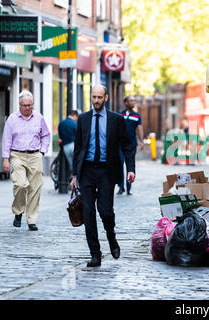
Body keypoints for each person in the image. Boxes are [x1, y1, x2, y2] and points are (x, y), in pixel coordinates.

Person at [70, 84, 135, 267]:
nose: (96, 101)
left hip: (107, 171)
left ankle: (111, 236)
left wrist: (130, 169)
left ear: (106, 98)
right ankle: (95, 254)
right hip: (87, 171)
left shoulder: (116, 120)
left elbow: (127, 146)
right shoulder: (83, 119)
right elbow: (77, 149)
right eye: (94, 97)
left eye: (99, 97)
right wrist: (75, 175)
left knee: (105, 211)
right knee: (88, 213)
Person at [1, 90, 51, 231]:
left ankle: (31, 220)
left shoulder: (39, 117)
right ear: (19, 105)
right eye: (24, 105)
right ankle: (18, 211)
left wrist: (42, 151)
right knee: (20, 184)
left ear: (32, 104)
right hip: (17, 155)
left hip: (35, 155)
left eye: (30, 105)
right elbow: (6, 140)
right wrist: (6, 159)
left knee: (35, 188)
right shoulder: (12, 119)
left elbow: (46, 135)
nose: (27, 108)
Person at [116, 95, 144, 195]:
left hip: (131, 143)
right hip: (119, 144)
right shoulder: (120, 114)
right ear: (126, 103)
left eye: (134, 100)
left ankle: (129, 188)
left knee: (130, 165)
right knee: (119, 164)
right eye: (131, 100)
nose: (133, 102)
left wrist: (141, 141)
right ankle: (120, 187)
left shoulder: (137, 116)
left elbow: (139, 128)